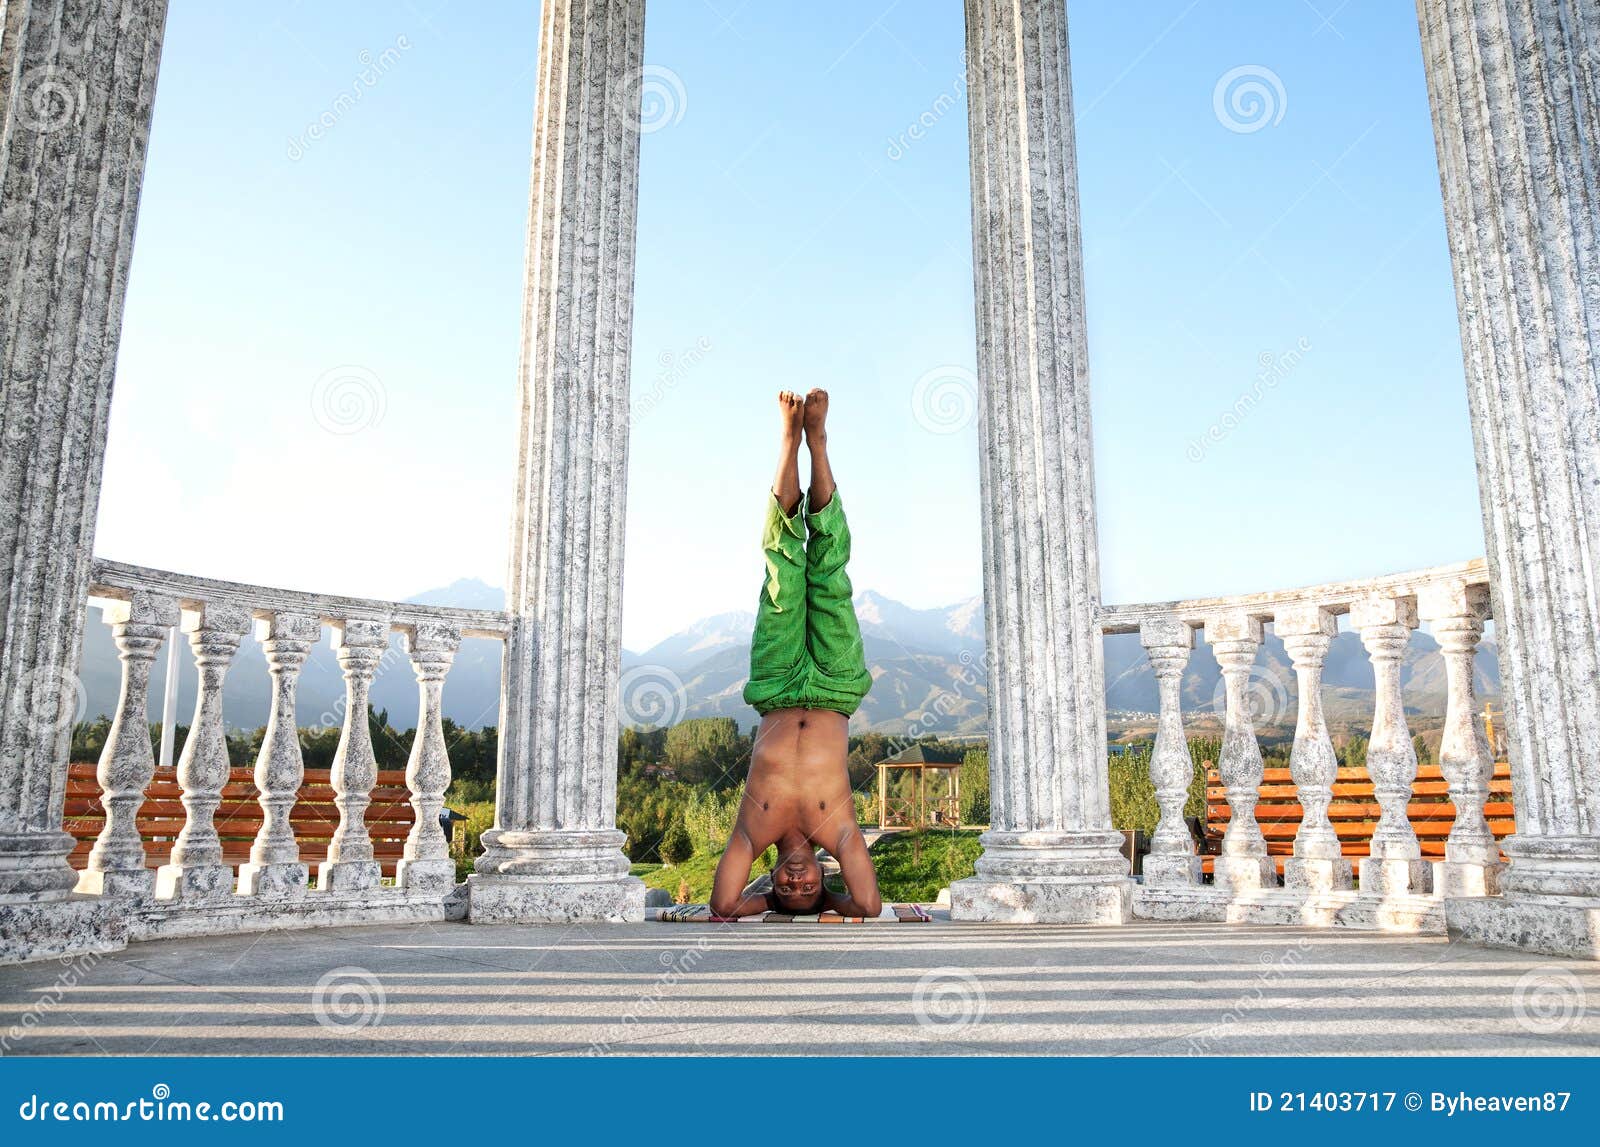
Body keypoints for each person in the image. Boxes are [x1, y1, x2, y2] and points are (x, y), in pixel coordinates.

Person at [708, 389, 883, 919]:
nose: (797, 883)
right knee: (830, 574)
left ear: (773, 882)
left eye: (788, 892)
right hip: (836, 686)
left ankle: (788, 443)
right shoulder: (840, 830)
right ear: (824, 880)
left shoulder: (753, 828)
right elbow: (870, 905)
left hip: (777, 686)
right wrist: (835, 903)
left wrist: (763, 905)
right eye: (809, 890)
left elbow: (722, 904)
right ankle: (820, 443)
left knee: (782, 571)